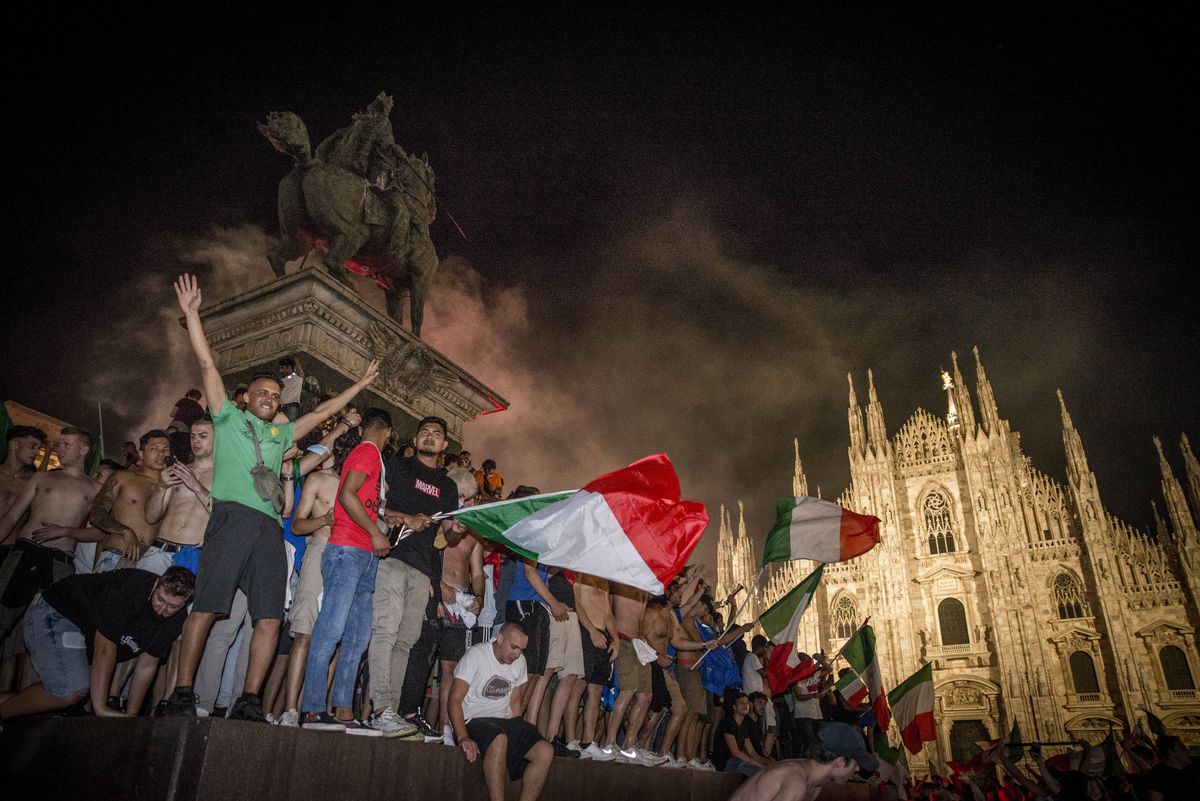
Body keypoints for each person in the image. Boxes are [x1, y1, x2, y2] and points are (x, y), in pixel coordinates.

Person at [161, 273, 378, 721]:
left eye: (275, 395)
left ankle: (250, 699)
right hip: (230, 517)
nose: (268, 397)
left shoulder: (280, 433)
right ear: (248, 399)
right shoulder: (227, 419)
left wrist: (359, 384)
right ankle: (183, 692)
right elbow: (207, 366)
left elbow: (321, 412)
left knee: (268, 617)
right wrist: (192, 314)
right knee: (208, 606)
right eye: (261, 392)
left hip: (266, 526)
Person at [300, 409, 393, 734]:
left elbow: (364, 500)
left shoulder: (373, 459)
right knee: (331, 629)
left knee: (358, 636)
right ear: (388, 433)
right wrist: (376, 532)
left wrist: (384, 525)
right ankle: (312, 708)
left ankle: (342, 709)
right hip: (348, 549)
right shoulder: (367, 451)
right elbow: (346, 495)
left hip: (364, 554)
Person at [0, 567, 194, 723]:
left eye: (172, 606)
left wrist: (131, 719)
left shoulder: (176, 621)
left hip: (82, 635)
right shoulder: (131, 587)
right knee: (71, 688)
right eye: (160, 599)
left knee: (46, 696)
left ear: (185, 603)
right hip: (56, 612)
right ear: (156, 585)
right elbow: (104, 649)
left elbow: (147, 665)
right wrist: (100, 707)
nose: (162, 609)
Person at [368, 415, 459, 735]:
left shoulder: (448, 487)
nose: (430, 438)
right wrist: (405, 517)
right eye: (424, 433)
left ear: (445, 445)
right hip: (392, 558)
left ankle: (389, 712)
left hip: (422, 570)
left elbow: (447, 534)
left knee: (406, 641)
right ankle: (380, 706)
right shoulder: (397, 466)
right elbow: (372, 504)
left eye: (437, 434)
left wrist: (457, 530)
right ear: (416, 439)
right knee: (385, 631)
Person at [0, 428, 100, 688]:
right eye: (59, 444)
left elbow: (100, 532)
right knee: (2, 617)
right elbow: (11, 517)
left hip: (60, 562)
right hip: (26, 552)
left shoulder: (95, 489)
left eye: (66, 444)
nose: (60, 449)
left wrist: (67, 531)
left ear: (83, 450)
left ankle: (23, 701)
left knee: (39, 634)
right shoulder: (41, 478)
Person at [449, 621, 554, 801]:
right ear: (500, 638)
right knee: (499, 738)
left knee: (545, 750)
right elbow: (454, 699)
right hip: (474, 718)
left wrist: (519, 732)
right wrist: (462, 737)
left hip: (504, 721)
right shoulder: (477, 654)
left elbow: (515, 704)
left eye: (521, 649)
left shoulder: (520, 661)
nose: (517, 654)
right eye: (513, 647)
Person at [434, 466, 485, 743]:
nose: (470, 503)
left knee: (453, 670)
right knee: (425, 660)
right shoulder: (440, 520)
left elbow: (477, 573)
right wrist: (438, 589)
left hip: (462, 604)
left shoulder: (474, 532)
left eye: (472, 498)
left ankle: (448, 728)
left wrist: (478, 598)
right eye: (465, 497)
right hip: (437, 596)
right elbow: (431, 557)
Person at [728, 721, 878, 801]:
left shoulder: (814, 782)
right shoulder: (797, 784)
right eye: (855, 763)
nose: (857, 769)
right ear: (839, 761)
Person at [90, 429, 172, 574]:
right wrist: (126, 531)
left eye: (166, 450)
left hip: (152, 562)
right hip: (117, 553)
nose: (161, 454)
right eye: (154, 449)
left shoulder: (173, 486)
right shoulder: (123, 477)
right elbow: (96, 513)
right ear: (141, 454)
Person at [574, 572, 618, 760]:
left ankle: (588, 741)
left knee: (596, 691)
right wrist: (591, 630)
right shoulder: (581, 573)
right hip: (586, 632)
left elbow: (608, 613)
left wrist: (615, 639)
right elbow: (577, 603)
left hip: (603, 636)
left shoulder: (604, 579)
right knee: (578, 687)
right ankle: (569, 738)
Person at [713, 691, 771, 777]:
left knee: (765, 771)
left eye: (747, 702)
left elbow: (751, 751)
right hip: (725, 762)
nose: (745, 705)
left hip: (736, 761)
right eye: (741, 702)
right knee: (751, 769)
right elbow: (735, 752)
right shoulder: (728, 723)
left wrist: (763, 765)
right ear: (734, 707)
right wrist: (757, 765)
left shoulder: (743, 726)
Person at [0, 427, 46, 529]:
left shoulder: (34, 481)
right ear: (14, 445)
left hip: (13, 544)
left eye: (39, 448)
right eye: (32, 446)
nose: (37, 452)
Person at [276, 357, 304, 423]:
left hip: (291, 408)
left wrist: (296, 357)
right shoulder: (281, 380)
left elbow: (298, 367)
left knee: (288, 430)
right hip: (280, 408)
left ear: (289, 367)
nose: (280, 370)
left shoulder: (297, 377)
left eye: (282, 368)